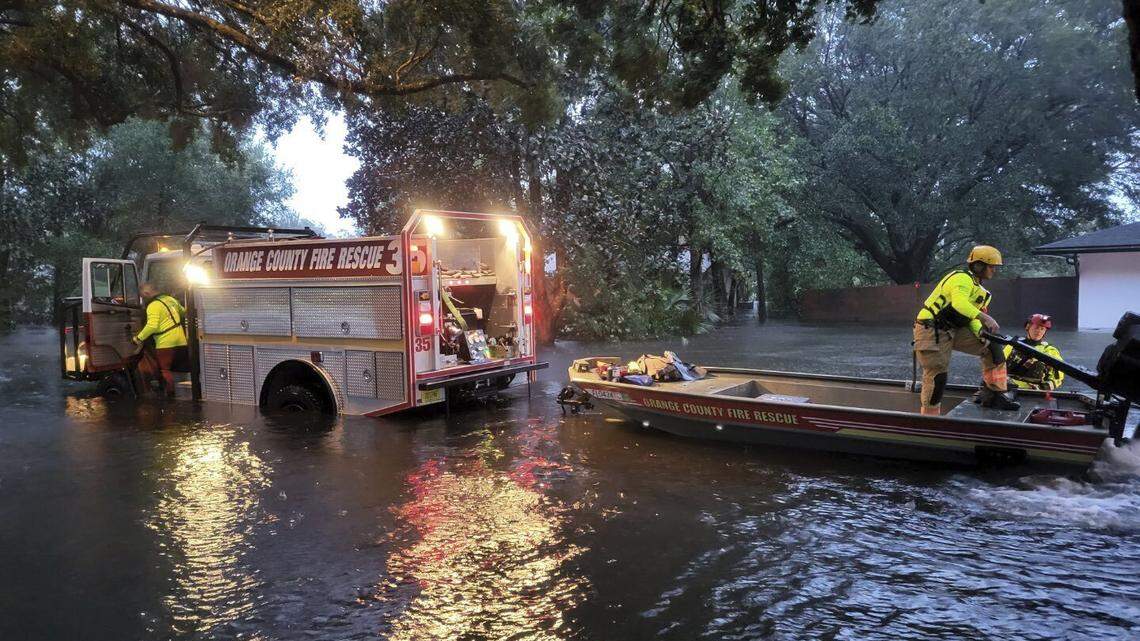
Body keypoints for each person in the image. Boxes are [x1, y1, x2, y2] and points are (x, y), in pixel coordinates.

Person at [913, 245, 1019, 415]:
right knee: (937, 376)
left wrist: (980, 332)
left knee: (993, 346)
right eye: (991, 267)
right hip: (932, 328)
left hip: (955, 329)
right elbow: (959, 304)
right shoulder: (961, 279)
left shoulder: (982, 293)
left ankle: (995, 394)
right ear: (978, 266)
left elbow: (970, 318)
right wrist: (986, 318)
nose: (994, 271)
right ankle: (930, 418)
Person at [132, 283, 188, 396]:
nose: (142, 299)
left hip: (166, 343)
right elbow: (183, 313)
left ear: (146, 293)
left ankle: (170, 396)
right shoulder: (170, 299)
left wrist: (138, 338)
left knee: (165, 370)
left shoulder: (153, 305)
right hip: (181, 340)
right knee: (178, 369)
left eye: (142, 296)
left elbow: (152, 326)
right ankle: (185, 390)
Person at [1003, 313, 1064, 391]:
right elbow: (997, 366)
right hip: (1008, 388)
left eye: (1042, 329)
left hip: (1033, 393)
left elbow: (1058, 378)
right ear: (1028, 327)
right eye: (1036, 328)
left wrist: (1042, 388)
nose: (1039, 331)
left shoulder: (1050, 350)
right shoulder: (1012, 345)